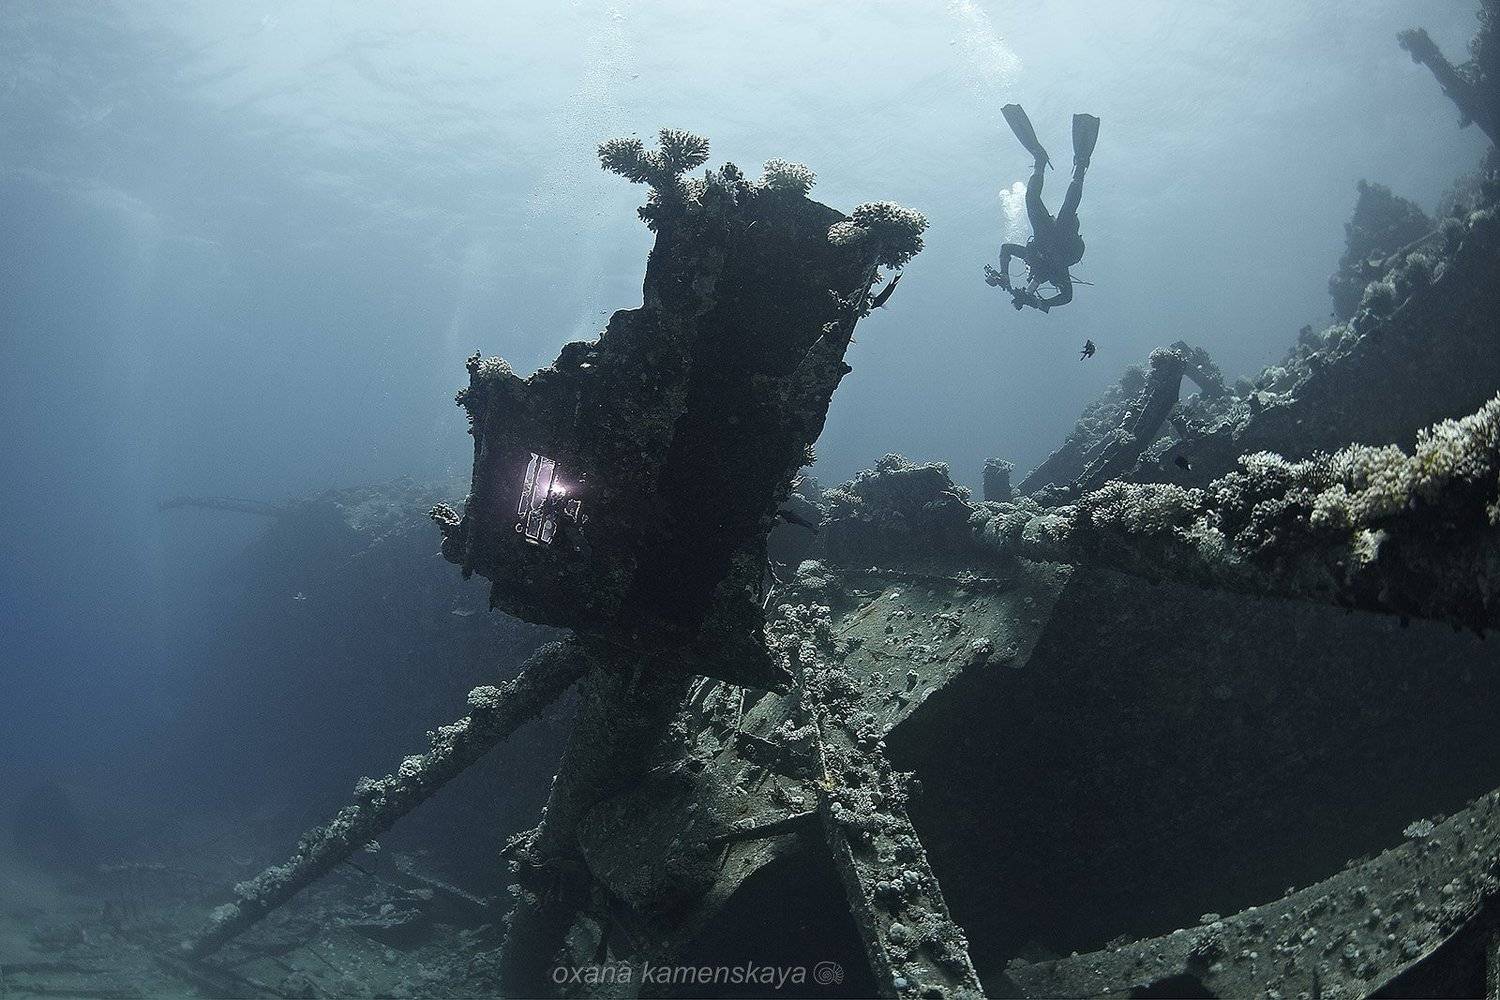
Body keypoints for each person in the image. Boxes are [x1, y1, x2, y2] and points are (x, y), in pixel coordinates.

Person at [984, 105, 1099, 313]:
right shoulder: (1058, 272)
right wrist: (1042, 303)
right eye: (1033, 277)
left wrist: (1004, 274)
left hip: (1046, 233)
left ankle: (1040, 160)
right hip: (1063, 239)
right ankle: (1080, 167)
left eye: (1029, 274)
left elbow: (1006, 248)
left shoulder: (1030, 254)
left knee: (1031, 198)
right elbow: (1067, 297)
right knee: (1068, 206)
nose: (1031, 274)